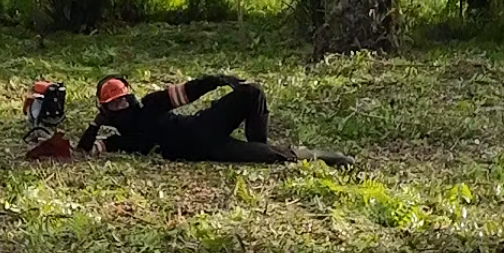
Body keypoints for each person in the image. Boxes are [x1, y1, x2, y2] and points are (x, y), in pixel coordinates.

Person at [76, 73, 354, 167]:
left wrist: (219, 80)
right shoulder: (120, 141)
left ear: (131, 96)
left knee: (252, 92)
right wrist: (95, 124)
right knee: (274, 157)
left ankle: (258, 145)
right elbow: (85, 150)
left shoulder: (150, 104)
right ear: (107, 111)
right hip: (205, 150)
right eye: (114, 105)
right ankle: (329, 158)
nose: (122, 105)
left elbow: (187, 92)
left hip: (201, 125)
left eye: (123, 99)